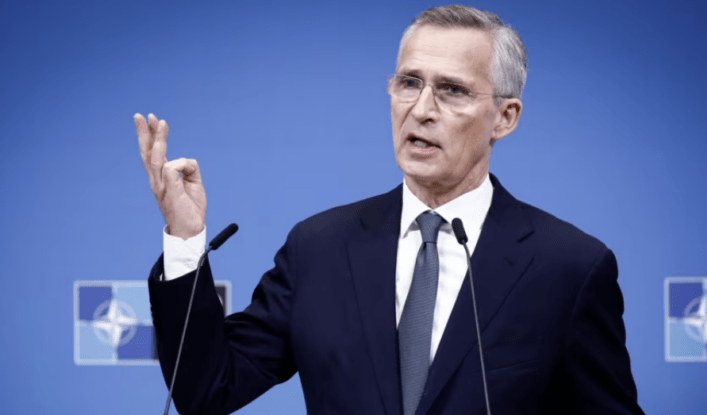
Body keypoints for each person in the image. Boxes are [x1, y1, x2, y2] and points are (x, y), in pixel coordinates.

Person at [136, 5, 644, 415]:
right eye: (409, 83)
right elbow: (209, 391)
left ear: (504, 118)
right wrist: (185, 238)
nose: (421, 109)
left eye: (452, 90)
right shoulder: (318, 248)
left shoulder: (569, 266)